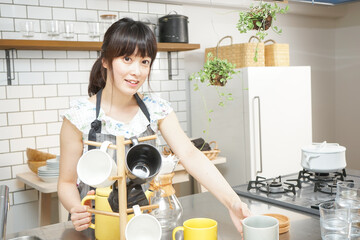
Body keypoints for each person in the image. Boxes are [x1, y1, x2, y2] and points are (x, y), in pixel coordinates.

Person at [57, 17, 251, 235]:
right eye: (127, 59)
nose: (137, 71)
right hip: (96, 226)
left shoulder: (156, 109)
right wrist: (75, 208)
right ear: (105, 60)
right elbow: (66, 183)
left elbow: (190, 154)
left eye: (145, 61)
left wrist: (233, 203)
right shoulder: (79, 115)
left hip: (143, 226)